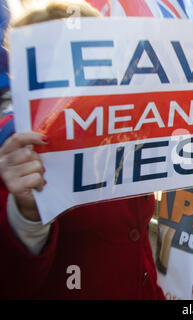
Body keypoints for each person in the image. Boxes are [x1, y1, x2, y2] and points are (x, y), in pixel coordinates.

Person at [0, 0, 165, 299]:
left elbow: (135, 238)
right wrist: (27, 214)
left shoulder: (120, 124)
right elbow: (11, 279)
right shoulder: (15, 146)